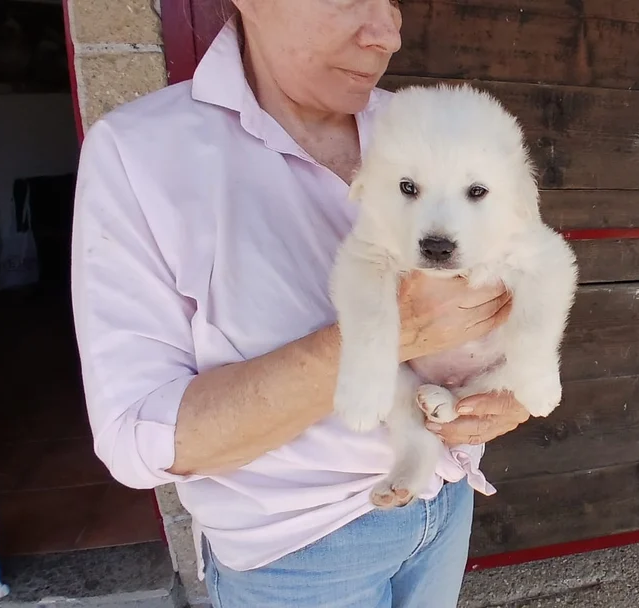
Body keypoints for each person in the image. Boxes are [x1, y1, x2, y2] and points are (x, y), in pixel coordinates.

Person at [69, 1, 531, 606]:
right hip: (296, 555)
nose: (388, 35)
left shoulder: (423, 127)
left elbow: (517, 258)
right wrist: (389, 332)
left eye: (394, 1)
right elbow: (138, 437)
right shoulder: (142, 154)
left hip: (445, 498)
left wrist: (511, 385)